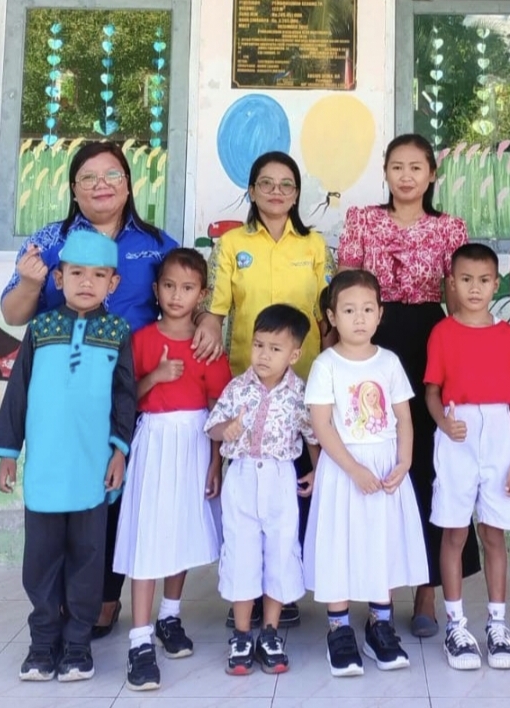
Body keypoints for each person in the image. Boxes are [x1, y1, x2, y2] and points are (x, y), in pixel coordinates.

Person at [0, 141, 190, 640]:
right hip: (65, 395)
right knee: (66, 496)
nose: (101, 185)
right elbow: (14, 313)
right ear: (73, 188)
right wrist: (29, 283)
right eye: (89, 177)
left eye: (112, 175)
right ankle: (59, 601)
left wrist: (209, 322)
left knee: (117, 492)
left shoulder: (157, 244)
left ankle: (104, 596)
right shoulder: (49, 241)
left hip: (136, 387)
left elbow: (186, 294)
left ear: (128, 185)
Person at [336, 133, 481, 638]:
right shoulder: (362, 220)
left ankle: (427, 590)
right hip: (369, 342)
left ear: (431, 174)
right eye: (397, 166)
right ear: (385, 171)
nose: (406, 176)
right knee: (378, 457)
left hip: (429, 342)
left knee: (427, 463)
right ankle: (378, 587)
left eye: (416, 167)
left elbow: (458, 299)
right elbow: (345, 288)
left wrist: (463, 357)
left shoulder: (449, 228)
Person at [0, 229, 137, 682]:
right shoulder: (40, 329)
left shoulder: (117, 332)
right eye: (76, 273)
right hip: (46, 467)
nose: (87, 282)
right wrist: (8, 452)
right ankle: (42, 643)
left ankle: (76, 645)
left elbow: (125, 398)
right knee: (40, 561)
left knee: (88, 560)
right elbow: (18, 393)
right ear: (59, 278)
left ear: (113, 283)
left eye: (99, 275)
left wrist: (119, 451)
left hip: (92, 467)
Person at [196, 150, 333, 629]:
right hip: (247, 383)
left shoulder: (314, 245)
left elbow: (326, 316)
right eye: (267, 183)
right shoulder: (232, 243)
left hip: (302, 385)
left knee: (290, 493)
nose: (277, 192)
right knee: (245, 501)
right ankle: (245, 595)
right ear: (252, 191)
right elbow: (215, 309)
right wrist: (207, 332)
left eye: (287, 185)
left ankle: (281, 591)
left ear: (297, 195)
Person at [114, 248, 232, 691]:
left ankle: (169, 616)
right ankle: (140, 639)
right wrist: (157, 376)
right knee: (149, 535)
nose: (176, 295)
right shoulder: (141, 340)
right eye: (168, 286)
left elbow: (219, 407)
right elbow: (127, 398)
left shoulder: (209, 346)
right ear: (155, 289)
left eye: (187, 288)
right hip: (154, 442)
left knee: (180, 531)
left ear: (202, 294)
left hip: (195, 443)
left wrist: (216, 461)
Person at [303, 270, 428, 677]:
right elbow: (321, 424)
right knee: (339, 544)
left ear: (380, 314)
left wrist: (404, 462)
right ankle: (339, 630)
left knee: (381, 542)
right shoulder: (326, 365)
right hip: (344, 470)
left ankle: (380, 626)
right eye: (349, 310)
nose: (359, 318)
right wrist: (353, 469)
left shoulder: (388, 362)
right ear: (331, 316)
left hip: (386, 468)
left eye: (367, 309)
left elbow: (404, 417)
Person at [425, 243, 510, 671]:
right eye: (465, 279)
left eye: (483, 280)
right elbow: (432, 391)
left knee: (494, 534)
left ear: (495, 284)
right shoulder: (443, 333)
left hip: (500, 438)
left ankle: (497, 626)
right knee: (454, 532)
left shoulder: (509, 336)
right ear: (451, 282)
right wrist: (443, 423)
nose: (474, 288)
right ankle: (456, 625)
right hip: (457, 435)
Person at [206, 304, 321, 676]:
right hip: (241, 477)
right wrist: (226, 429)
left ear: (294, 354)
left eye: (275, 348)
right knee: (241, 552)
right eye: (258, 345)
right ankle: (242, 635)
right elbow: (213, 427)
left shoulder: (298, 393)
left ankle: (270, 632)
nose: (264, 355)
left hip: (280, 478)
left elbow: (312, 435)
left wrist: (317, 471)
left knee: (280, 552)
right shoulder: (237, 388)